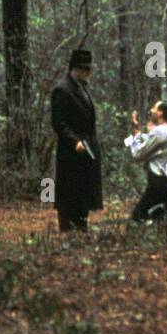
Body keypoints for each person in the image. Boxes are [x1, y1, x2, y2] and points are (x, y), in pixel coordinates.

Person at [50, 48, 102, 232]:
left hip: (87, 149)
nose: (88, 73)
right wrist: (74, 141)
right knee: (69, 195)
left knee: (84, 195)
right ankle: (68, 232)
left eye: (88, 69)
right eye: (84, 69)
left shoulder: (83, 88)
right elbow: (59, 122)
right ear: (76, 69)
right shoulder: (62, 90)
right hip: (71, 152)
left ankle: (81, 229)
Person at [123, 100, 167, 223]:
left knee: (137, 220)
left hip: (159, 185)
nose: (151, 111)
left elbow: (138, 154)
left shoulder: (160, 132)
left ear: (160, 113)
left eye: (154, 109)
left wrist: (135, 132)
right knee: (158, 221)